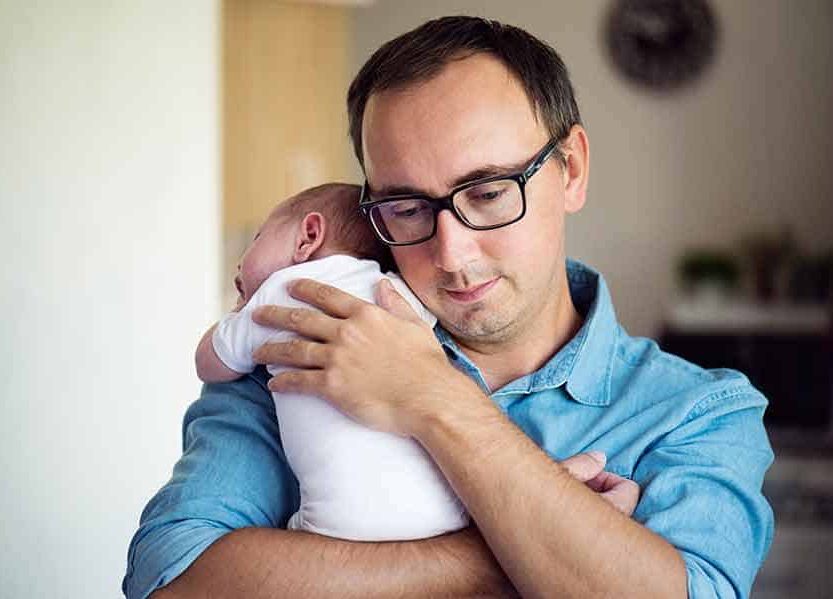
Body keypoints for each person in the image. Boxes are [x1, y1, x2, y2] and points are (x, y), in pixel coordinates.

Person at [124, 16, 774, 599]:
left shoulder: (695, 413)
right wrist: (496, 555)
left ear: (570, 169)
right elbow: (170, 580)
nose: (453, 253)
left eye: (489, 192)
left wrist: (434, 398)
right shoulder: (300, 345)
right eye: (406, 208)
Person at [194, 182, 469, 541]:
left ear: (307, 236)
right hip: (447, 514)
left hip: (340, 526)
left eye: (257, 238)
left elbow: (209, 363)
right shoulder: (395, 292)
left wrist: (235, 317)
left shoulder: (279, 293)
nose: (240, 261)